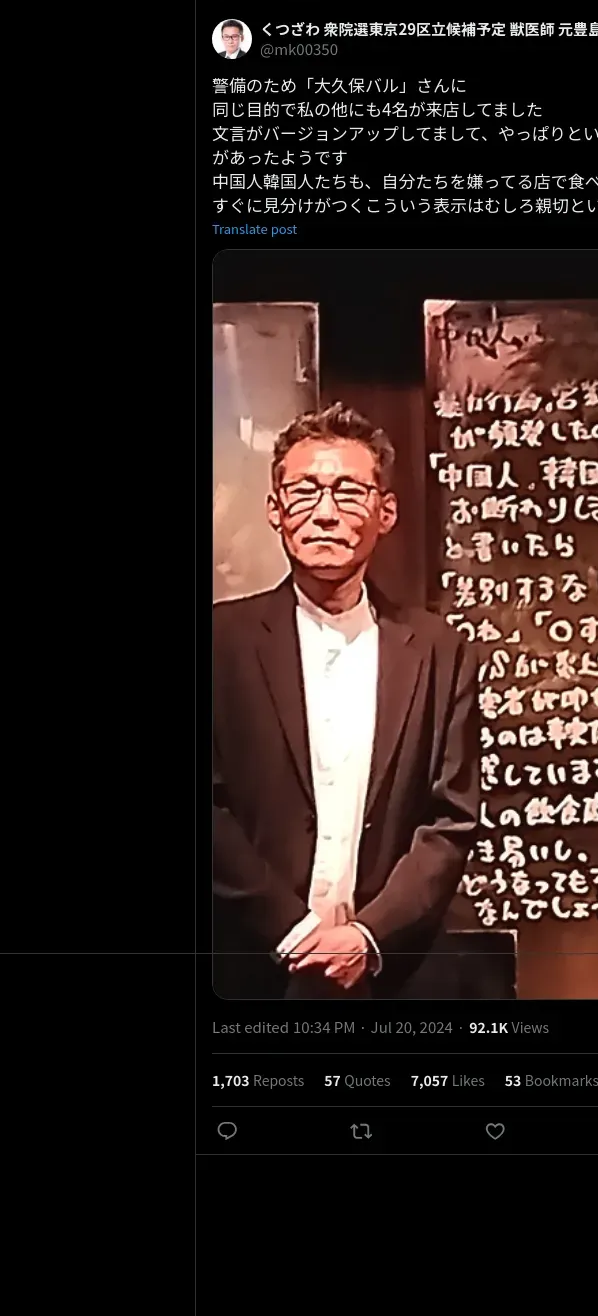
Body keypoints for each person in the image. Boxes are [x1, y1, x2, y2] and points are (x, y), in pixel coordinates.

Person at [212, 403, 480, 999]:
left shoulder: (440, 651)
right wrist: (290, 929)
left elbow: (451, 819)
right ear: (275, 511)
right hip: (242, 968)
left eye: (349, 492)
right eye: (304, 492)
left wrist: (370, 935)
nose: (326, 513)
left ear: (386, 512)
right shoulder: (220, 642)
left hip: (391, 974)